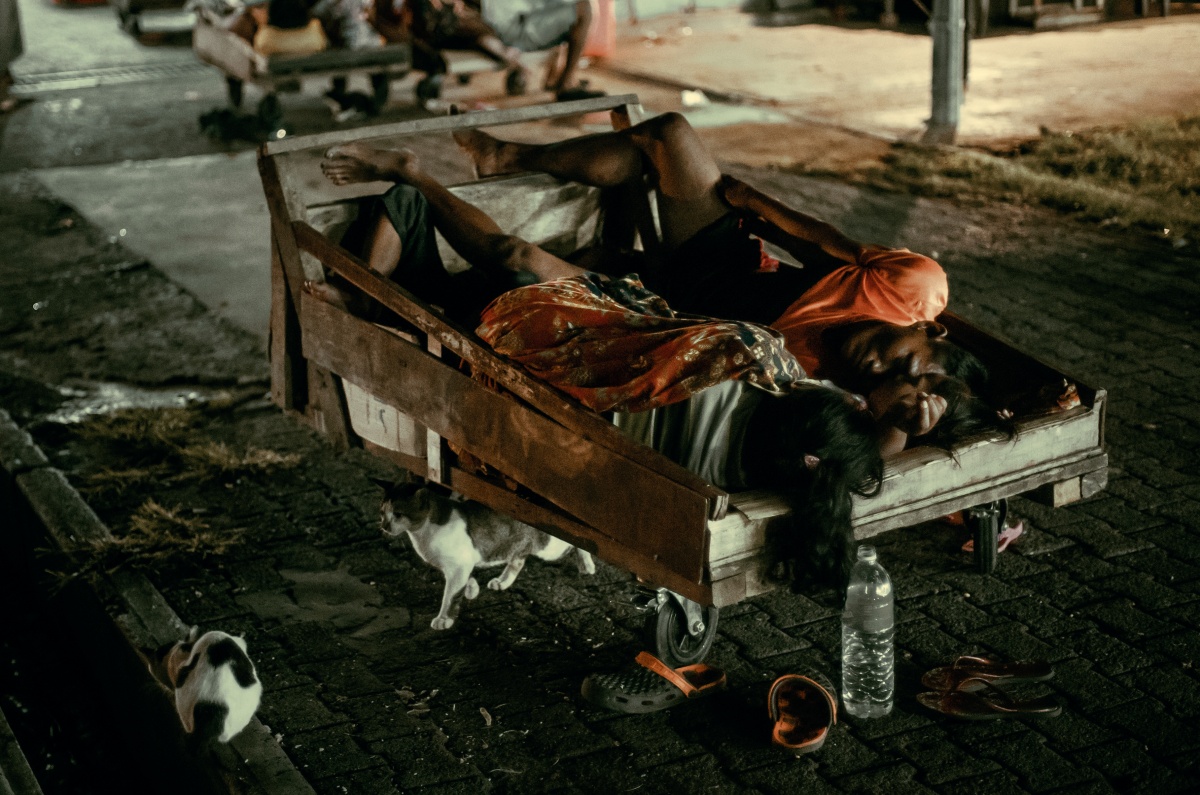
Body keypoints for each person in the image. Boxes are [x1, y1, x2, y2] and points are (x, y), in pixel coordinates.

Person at [316, 143, 886, 587]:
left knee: (506, 259)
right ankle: (392, 259)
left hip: (548, 341)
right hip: (561, 367)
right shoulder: (737, 475)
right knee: (474, 275)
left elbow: (722, 346)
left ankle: (404, 204)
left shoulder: (746, 364)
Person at [450, 111, 979, 408]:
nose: (878, 367)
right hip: (720, 255)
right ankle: (512, 157)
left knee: (534, 258)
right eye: (902, 360)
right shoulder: (914, 287)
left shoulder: (830, 387)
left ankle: (620, 217)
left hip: (664, 316)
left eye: (886, 380)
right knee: (668, 134)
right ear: (932, 330)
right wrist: (754, 203)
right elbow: (820, 241)